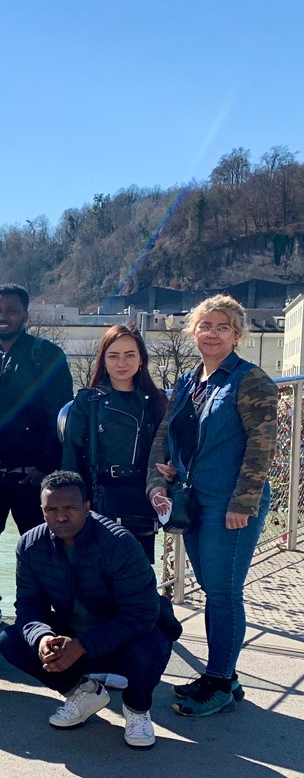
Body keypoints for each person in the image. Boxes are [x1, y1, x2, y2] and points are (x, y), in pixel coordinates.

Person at [146, 294, 278, 716]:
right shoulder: (188, 381)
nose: (212, 333)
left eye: (223, 327)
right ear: (194, 332)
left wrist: (243, 502)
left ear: (237, 335)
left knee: (223, 593)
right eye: (206, 326)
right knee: (211, 587)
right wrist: (162, 474)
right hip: (195, 499)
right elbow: (166, 433)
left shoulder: (250, 380)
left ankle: (219, 681)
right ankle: (226, 674)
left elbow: (262, 447)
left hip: (231, 502)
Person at [0, 472, 168, 750]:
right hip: (73, 633)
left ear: (87, 507)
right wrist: (42, 638)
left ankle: (137, 709)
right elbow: (29, 605)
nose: (61, 517)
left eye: (70, 509)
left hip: (120, 638)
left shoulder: (119, 544)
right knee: (11, 641)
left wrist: (82, 645)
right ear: (42, 511)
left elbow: (142, 613)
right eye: (51, 509)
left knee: (151, 645)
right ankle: (82, 691)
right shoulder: (29, 546)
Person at [0, 284, 73, 635]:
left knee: (43, 551)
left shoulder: (45, 355)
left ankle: (46, 620)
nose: (2, 317)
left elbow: (61, 417)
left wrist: (44, 469)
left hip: (29, 480)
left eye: (10, 311)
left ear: (25, 314)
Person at [60, 325, 166, 562]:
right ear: (103, 360)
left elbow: (167, 447)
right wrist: (74, 503)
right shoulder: (87, 401)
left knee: (136, 573)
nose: (122, 363)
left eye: (130, 355)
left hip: (142, 499)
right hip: (99, 498)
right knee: (96, 575)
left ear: (141, 360)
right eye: (113, 356)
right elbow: (72, 457)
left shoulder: (157, 401)